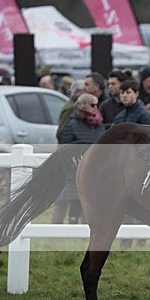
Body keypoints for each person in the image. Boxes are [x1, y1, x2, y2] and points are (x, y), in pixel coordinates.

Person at [58, 93, 105, 224]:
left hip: (96, 167)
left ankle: (88, 224)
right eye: (92, 105)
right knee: (75, 198)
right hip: (76, 166)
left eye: (96, 105)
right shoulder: (72, 123)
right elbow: (65, 145)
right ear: (83, 106)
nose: (95, 107)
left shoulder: (98, 124)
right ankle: (72, 225)